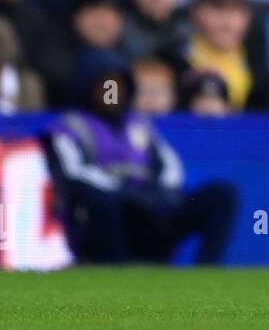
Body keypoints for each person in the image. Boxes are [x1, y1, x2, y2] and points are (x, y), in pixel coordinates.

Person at [42, 52, 238, 263]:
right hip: (110, 215)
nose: (112, 93)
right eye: (106, 86)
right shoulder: (69, 127)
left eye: (118, 86)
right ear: (89, 86)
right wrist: (125, 193)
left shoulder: (139, 124)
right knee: (104, 202)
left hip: (150, 208)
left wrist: (162, 195)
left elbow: (169, 165)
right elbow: (75, 173)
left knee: (222, 194)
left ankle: (207, 268)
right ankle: (115, 267)